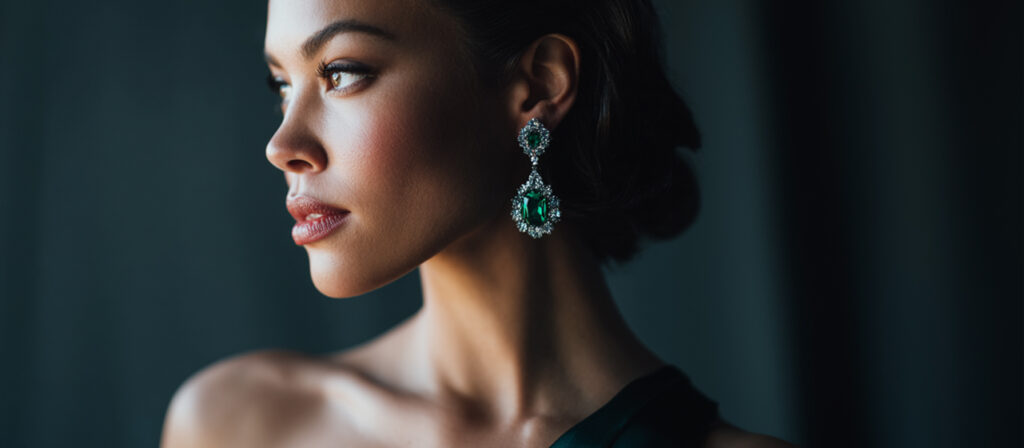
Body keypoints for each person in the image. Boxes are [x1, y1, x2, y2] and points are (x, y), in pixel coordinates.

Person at [161, 0, 793, 446]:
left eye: (342, 73)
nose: (282, 143)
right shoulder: (235, 427)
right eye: (281, 83)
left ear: (538, 83)